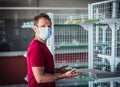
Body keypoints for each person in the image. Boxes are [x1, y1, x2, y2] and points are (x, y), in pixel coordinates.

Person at [26, 13, 80, 87]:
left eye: (49, 26)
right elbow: (40, 78)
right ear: (35, 28)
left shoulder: (41, 45)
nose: (47, 29)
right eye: (43, 26)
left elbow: (43, 69)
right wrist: (64, 75)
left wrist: (58, 70)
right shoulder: (36, 48)